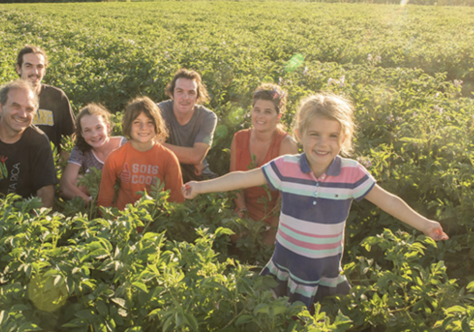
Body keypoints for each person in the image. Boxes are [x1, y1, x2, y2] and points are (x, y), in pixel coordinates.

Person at [182, 93, 448, 309]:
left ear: (344, 139)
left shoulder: (352, 172)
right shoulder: (287, 168)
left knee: (318, 318)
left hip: (323, 270)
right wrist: (200, 186)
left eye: (333, 136)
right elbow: (241, 178)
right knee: (271, 315)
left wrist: (424, 224)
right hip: (284, 264)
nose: (323, 143)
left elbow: (388, 201)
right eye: (315, 135)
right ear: (299, 134)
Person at [230, 83, 298, 244]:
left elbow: (285, 195)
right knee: (234, 238)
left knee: (269, 248)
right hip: (246, 209)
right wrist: (242, 211)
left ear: (278, 116)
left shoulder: (286, 144)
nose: (260, 116)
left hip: (275, 215)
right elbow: (234, 182)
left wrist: (273, 232)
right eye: (257, 110)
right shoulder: (239, 138)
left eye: (268, 112)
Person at [98, 96, 184, 210]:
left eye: (150, 122)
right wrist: (111, 224)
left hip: (155, 223)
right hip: (122, 222)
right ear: (128, 125)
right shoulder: (115, 157)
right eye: (137, 122)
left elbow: (176, 200)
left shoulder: (168, 158)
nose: (144, 128)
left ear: (157, 125)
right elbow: (104, 200)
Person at [0, 80, 57, 208]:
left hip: (21, 213)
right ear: (1, 107)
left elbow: (46, 190)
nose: (23, 114)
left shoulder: (39, 141)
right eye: (15, 106)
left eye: (29, 109)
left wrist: (33, 223)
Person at [0, 45, 75, 160]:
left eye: (39, 67)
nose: (34, 72)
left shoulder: (57, 97)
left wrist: (62, 164)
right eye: (28, 66)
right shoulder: (5, 98)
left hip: (50, 164)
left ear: (44, 70)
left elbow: (70, 135)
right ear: (18, 69)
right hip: (15, 164)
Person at [158, 69, 218, 182]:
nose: (185, 97)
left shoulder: (208, 117)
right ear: (172, 94)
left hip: (199, 177)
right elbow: (142, 144)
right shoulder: (158, 111)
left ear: (197, 97)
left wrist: (157, 146)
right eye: (180, 91)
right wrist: (190, 157)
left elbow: (196, 156)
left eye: (191, 93)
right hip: (166, 175)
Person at [61, 103, 127, 202]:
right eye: (87, 130)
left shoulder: (124, 145)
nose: (94, 135)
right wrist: (90, 203)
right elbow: (65, 185)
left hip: (124, 196)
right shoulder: (81, 149)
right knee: (78, 181)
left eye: (98, 127)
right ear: (82, 134)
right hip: (96, 199)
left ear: (107, 127)